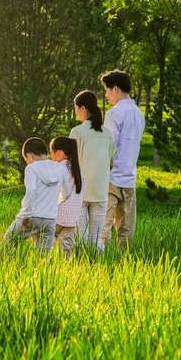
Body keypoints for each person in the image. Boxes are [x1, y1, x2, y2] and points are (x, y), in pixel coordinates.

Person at [101, 70, 145, 249]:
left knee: (103, 225)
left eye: (107, 90)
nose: (107, 95)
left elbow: (108, 148)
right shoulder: (138, 114)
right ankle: (123, 261)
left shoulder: (114, 114)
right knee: (126, 228)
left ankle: (101, 261)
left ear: (116, 89)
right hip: (129, 178)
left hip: (111, 178)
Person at [3, 137, 71, 251]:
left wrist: (26, 215)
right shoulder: (59, 168)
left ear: (29, 156)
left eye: (26, 159)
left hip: (31, 216)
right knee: (44, 255)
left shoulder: (31, 168)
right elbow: (67, 192)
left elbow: (30, 192)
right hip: (50, 219)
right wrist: (54, 202)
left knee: (7, 244)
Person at [70, 91, 117, 251]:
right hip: (100, 192)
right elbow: (111, 162)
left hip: (80, 191)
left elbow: (72, 164)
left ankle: (81, 267)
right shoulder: (107, 133)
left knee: (80, 236)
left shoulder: (77, 132)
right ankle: (103, 265)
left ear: (83, 108)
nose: (75, 111)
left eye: (75, 107)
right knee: (96, 238)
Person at [50, 136, 85, 257]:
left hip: (56, 217)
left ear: (58, 153)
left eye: (52, 154)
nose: (52, 158)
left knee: (43, 245)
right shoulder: (78, 170)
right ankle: (65, 272)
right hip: (71, 219)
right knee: (65, 253)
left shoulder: (57, 168)